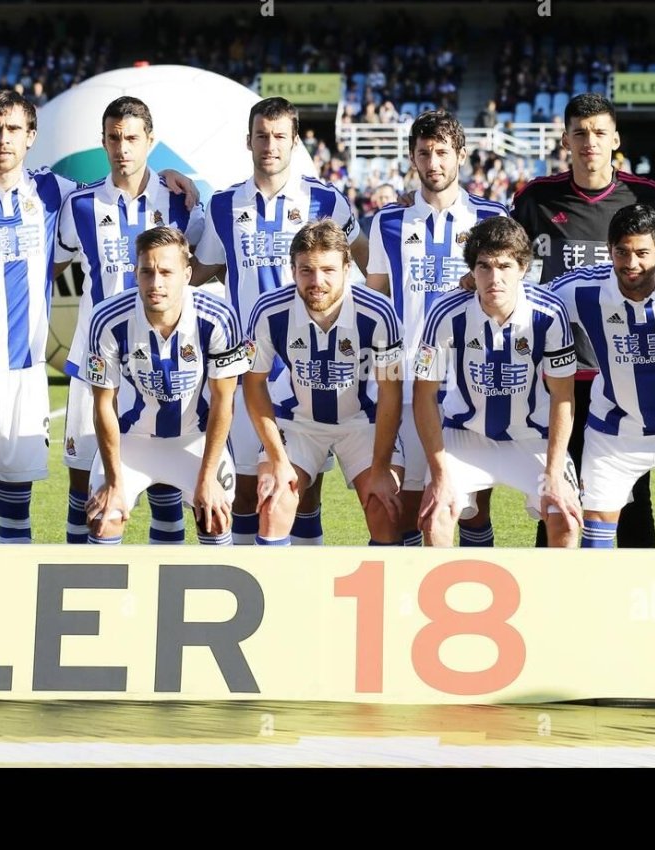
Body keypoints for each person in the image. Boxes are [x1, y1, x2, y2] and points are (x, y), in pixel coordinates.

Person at [0, 89, 197, 544]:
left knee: (154, 485)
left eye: (13, 129)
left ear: (31, 136)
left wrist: (170, 175)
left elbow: (198, 262)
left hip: (51, 371)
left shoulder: (57, 192)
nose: (4, 139)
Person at [510, 92, 655, 549]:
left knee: (632, 494)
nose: (589, 141)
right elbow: (508, 256)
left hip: (626, 367)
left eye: (598, 132)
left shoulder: (646, 195)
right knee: (560, 488)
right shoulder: (537, 197)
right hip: (562, 372)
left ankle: (636, 589)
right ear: (565, 140)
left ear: (615, 139)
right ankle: (554, 587)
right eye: (580, 133)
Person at [195, 97, 369, 546]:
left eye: (278, 136)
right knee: (245, 493)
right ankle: (245, 576)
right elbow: (199, 270)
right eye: (261, 136)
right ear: (248, 141)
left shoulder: (326, 200)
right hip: (246, 368)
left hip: (306, 368)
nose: (269, 145)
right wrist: (175, 191)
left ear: (294, 142)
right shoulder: (222, 205)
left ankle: (303, 582)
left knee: (303, 494)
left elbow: (368, 264)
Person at [55, 95, 206, 545]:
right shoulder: (80, 205)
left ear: (150, 141)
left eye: (133, 139)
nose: (123, 148)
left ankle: (166, 581)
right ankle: (80, 575)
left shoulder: (180, 202)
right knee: (85, 488)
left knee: (164, 485)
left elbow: (201, 268)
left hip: (159, 362)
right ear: (103, 141)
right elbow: (47, 267)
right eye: (114, 138)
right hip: (95, 364)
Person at [365, 110, 508, 547]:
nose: (434, 162)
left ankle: (477, 585)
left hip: (470, 384)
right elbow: (375, 299)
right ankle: (416, 589)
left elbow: (509, 294)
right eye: (424, 153)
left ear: (461, 155)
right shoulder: (388, 221)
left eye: (443, 152)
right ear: (412, 157)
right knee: (412, 510)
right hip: (409, 384)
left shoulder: (492, 217)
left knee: (472, 511)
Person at [549, 204, 655, 549]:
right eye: (622, 252)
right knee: (595, 538)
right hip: (612, 433)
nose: (631, 263)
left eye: (642, 253)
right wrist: (471, 285)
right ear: (609, 250)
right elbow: (526, 300)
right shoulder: (581, 288)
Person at [413, 216, 581, 547]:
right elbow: (424, 394)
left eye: (505, 266)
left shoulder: (550, 312)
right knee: (436, 516)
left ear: (523, 268)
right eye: (485, 266)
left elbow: (563, 396)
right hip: (464, 434)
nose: (494, 278)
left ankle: (557, 586)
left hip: (532, 436)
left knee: (565, 517)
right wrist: (440, 475)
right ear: (472, 271)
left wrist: (554, 472)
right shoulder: (444, 311)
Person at [244, 219, 404, 546]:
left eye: (328, 270)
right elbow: (254, 383)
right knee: (274, 502)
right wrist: (278, 460)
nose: (317, 281)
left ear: (347, 269)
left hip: (364, 422)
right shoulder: (268, 310)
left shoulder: (379, 312)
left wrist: (380, 469)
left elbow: (390, 391)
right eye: (306, 270)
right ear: (292, 270)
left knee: (384, 509)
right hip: (297, 422)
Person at [82, 227, 246, 545]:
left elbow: (223, 401)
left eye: (166, 272)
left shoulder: (219, 317)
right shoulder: (107, 319)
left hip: (195, 440)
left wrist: (208, 478)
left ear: (187, 274)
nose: (156, 283)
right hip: (131, 441)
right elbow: (104, 404)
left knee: (215, 517)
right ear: (136, 273)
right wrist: (114, 482)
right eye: (147, 271)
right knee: (104, 518)